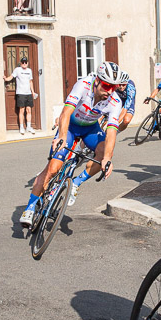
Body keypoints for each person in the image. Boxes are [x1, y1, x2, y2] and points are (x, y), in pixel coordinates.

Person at [19, 61, 122, 225]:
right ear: (97, 81)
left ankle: (75, 183)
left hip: (90, 129)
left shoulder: (115, 101)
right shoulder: (83, 85)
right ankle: (30, 208)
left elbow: (111, 132)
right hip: (70, 127)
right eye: (107, 86)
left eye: (114, 88)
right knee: (52, 169)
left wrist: (107, 158)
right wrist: (61, 136)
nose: (110, 92)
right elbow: (66, 112)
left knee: (105, 153)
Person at [3, 55, 38, 135]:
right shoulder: (17, 70)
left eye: (26, 62)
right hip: (21, 93)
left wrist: (33, 92)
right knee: (21, 110)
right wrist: (5, 79)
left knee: (29, 110)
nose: (24, 64)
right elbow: (11, 77)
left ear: (27, 63)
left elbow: (30, 81)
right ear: (21, 63)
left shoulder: (29, 71)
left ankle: (29, 126)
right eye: (23, 62)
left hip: (28, 93)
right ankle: (22, 127)